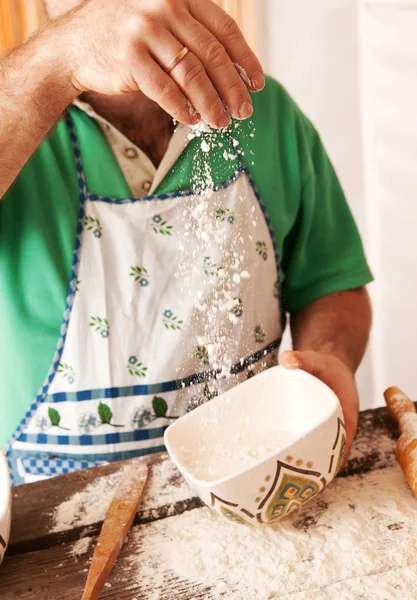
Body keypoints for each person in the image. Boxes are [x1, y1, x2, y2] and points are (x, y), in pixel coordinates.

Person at [0, 0, 372, 486]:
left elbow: (330, 284)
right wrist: (61, 58)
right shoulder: (16, 115)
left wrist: (327, 358)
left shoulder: (267, 113)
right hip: (49, 525)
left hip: (249, 482)